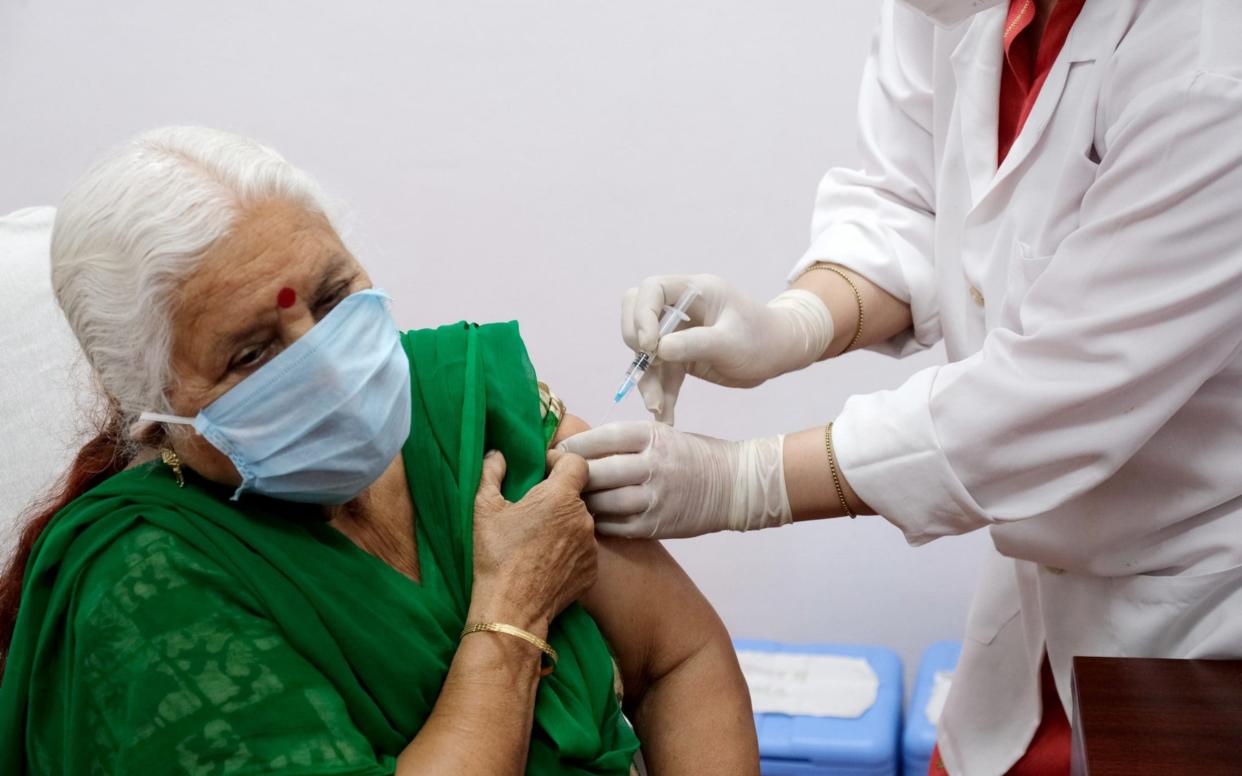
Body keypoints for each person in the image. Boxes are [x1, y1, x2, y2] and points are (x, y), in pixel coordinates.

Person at [560, 1, 1242, 774]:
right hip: (1034, 615)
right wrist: (796, 322)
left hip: (1197, 616)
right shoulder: (961, 9)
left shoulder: (1212, 65)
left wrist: (745, 482)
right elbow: (909, 200)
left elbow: (1055, 394)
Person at [0, 127, 759, 775]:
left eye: (331, 299)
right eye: (252, 354)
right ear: (151, 411)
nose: (327, 365)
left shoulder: (463, 400)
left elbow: (680, 661)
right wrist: (513, 608)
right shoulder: (145, 586)